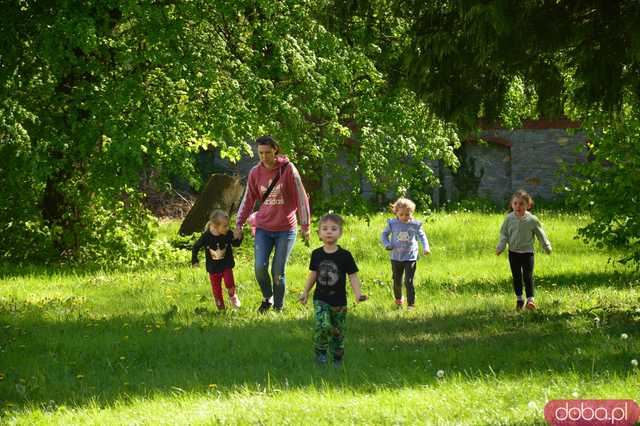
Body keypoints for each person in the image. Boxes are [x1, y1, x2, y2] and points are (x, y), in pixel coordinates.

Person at [234, 135, 311, 313]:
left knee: (278, 271)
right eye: (260, 153)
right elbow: (248, 200)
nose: (264, 157)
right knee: (260, 268)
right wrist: (239, 225)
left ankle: (278, 307)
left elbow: (301, 197)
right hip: (263, 228)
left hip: (286, 229)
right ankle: (267, 298)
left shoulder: (288, 170)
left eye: (268, 152)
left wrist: (305, 226)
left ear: (276, 150)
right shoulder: (255, 172)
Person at [299, 213, 367, 367]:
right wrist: (305, 292)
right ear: (319, 233)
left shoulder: (345, 255)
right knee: (322, 326)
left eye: (333, 229)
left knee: (338, 331)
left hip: (339, 301)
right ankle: (321, 353)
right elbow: (313, 275)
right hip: (321, 299)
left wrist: (358, 295)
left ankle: (337, 358)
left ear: (340, 233)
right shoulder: (316, 254)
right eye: (325, 229)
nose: (329, 232)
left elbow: (353, 276)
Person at [496, 189, 552, 310]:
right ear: (512, 204)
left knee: (528, 276)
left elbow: (540, 233)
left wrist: (546, 246)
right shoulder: (509, 219)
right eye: (515, 203)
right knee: (516, 276)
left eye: (521, 204)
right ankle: (520, 299)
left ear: (528, 205)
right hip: (513, 253)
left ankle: (531, 300)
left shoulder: (532, 220)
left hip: (527, 253)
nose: (518, 206)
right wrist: (501, 246)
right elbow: (504, 234)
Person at [380, 197, 430, 310]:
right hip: (396, 257)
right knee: (397, 281)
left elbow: (422, 236)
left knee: (408, 281)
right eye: (401, 214)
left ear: (411, 213)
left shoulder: (414, 225)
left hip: (410, 256)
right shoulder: (392, 224)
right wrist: (387, 244)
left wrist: (426, 247)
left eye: (407, 214)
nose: (404, 217)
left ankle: (411, 304)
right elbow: (384, 235)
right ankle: (398, 300)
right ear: (396, 212)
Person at [192, 210, 242, 310]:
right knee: (216, 289)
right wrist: (195, 260)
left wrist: (239, 237)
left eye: (228, 225)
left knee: (230, 283)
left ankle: (233, 296)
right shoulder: (206, 236)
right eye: (225, 226)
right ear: (215, 226)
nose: (227, 228)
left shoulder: (227, 233)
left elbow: (236, 244)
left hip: (226, 265)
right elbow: (196, 247)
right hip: (213, 268)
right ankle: (221, 307)